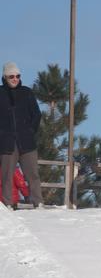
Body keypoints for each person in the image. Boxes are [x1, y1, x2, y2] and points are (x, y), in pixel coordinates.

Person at [0, 61, 42, 209]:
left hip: (27, 142)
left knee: (33, 174)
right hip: (6, 144)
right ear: (5, 77)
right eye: (11, 76)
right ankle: (7, 204)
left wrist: (30, 131)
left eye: (18, 76)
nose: (15, 79)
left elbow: (36, 115)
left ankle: (38, 202)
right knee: (6, 176)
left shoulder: (27, 92)